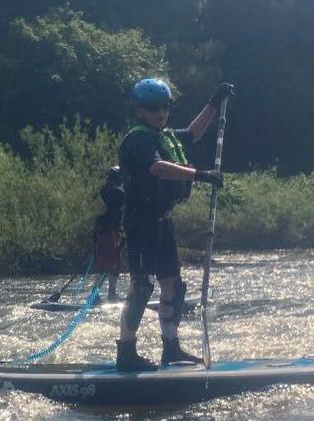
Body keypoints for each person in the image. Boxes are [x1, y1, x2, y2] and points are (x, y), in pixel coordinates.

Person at [116, 78, 234, 371]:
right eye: (153, 108)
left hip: (161, 220)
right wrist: (200, 175)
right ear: (139, 111)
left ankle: (171, 347)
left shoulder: (164, 136)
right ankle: (126, 352)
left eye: (165, 107)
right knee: (142, 285)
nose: (161, 113)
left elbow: (194, 132)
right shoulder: (139, 139)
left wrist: (214, 102)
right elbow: (156, 168)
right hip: (140, 222)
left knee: (173, 283)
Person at [93, 166, 125, 301]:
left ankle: (100, 294)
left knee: (108, 262)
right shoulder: (118, 192)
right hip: (110, 232)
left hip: (102, 231)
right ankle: (106, 294)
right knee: (111, 263)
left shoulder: (102, 191)